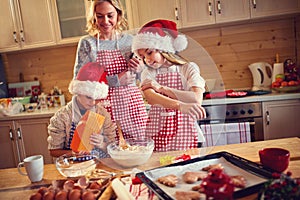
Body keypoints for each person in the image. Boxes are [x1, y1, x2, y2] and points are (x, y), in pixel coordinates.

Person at [73, 0, 147, 140]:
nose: (105, 21)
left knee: (137, 151)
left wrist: (140, 69)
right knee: (107, 153)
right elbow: (80, 85)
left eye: (110, 15)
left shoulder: (131, 41)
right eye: (100, 16)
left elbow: (144, 78)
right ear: (93, 17)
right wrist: (115, 81)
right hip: (102, 110)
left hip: (132, 108)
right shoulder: (88, 44)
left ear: (118, 15)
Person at [132, 19, 207, 152]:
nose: (147, 60)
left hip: (186, 132)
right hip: (157, 132)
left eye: (149, 52)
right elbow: (151, 97)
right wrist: (180, 105)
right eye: (142, 56)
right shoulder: (147, 73)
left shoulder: (187, 68)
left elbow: (196, 99)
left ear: (164, 48)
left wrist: (162, 89)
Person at [47, 62, 116, 158]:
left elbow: (113, 148)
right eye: (88, 97)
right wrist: (73, 153)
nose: (92, 103)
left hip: (99, 165)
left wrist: (102, 144)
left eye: (97, 99)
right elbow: (53, 151)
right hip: (73, 165)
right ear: (78, 92)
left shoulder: (103, 115)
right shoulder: (62, 117)